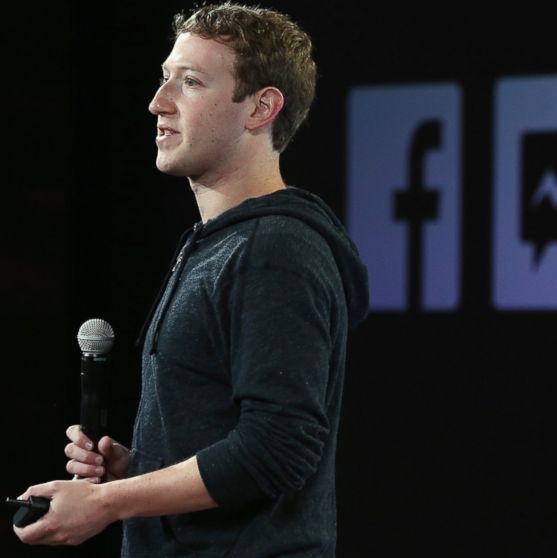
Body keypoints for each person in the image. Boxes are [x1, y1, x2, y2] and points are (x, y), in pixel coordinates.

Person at [14, 3, 368, 556]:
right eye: (164, 79)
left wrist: (111, 503)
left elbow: (279, 447)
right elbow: (232, 442)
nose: (158, 103)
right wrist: (138, 472)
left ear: (261, 108)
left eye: (191, 83)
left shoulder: (274, 250)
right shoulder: (219, 245)